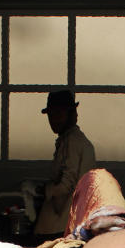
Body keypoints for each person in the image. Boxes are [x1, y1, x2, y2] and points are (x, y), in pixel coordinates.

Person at [33, 90, 96, 239]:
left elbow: (66, 185)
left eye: (58, 115)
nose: (53, 120)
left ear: (73, 115)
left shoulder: (72, 142)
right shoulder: (69, 140)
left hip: (62, 223)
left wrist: (43, 191)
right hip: (68, 222)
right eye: (51, 116)